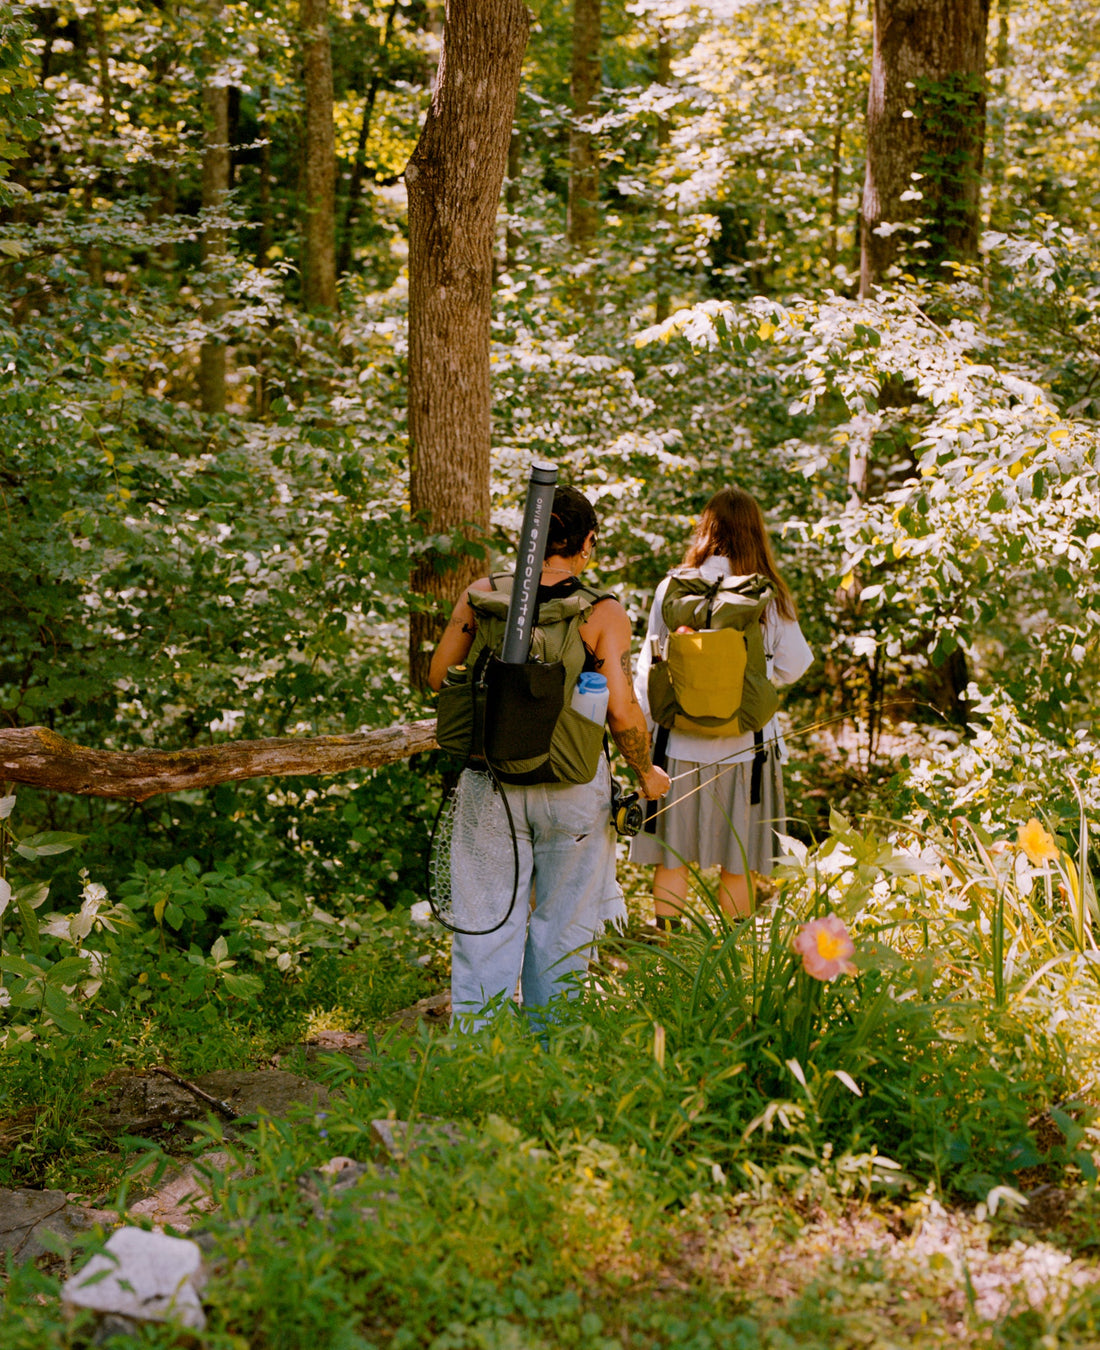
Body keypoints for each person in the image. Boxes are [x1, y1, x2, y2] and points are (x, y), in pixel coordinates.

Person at [428, 485, 670, 1026]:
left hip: (490, 784)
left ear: (530, 537)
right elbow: (624, 713)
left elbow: (439, 677)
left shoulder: (479, 595)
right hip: (574, 789)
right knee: (564, 925)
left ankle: (475, 1050)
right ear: (586, 542)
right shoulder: (601, 611)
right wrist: (645, 772)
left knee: (487, 921)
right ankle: (550, 1048)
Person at [629, 486, 813, 926]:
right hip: (745, 749)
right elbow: (796, 665)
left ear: (706, 530)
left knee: (670, 858)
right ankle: (732, 960)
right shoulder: (767, 594)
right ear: (756, 534)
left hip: (676, 747)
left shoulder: (673, 587)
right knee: (740, 859)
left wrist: (645, 736)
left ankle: (667, 953)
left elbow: (648, 665)